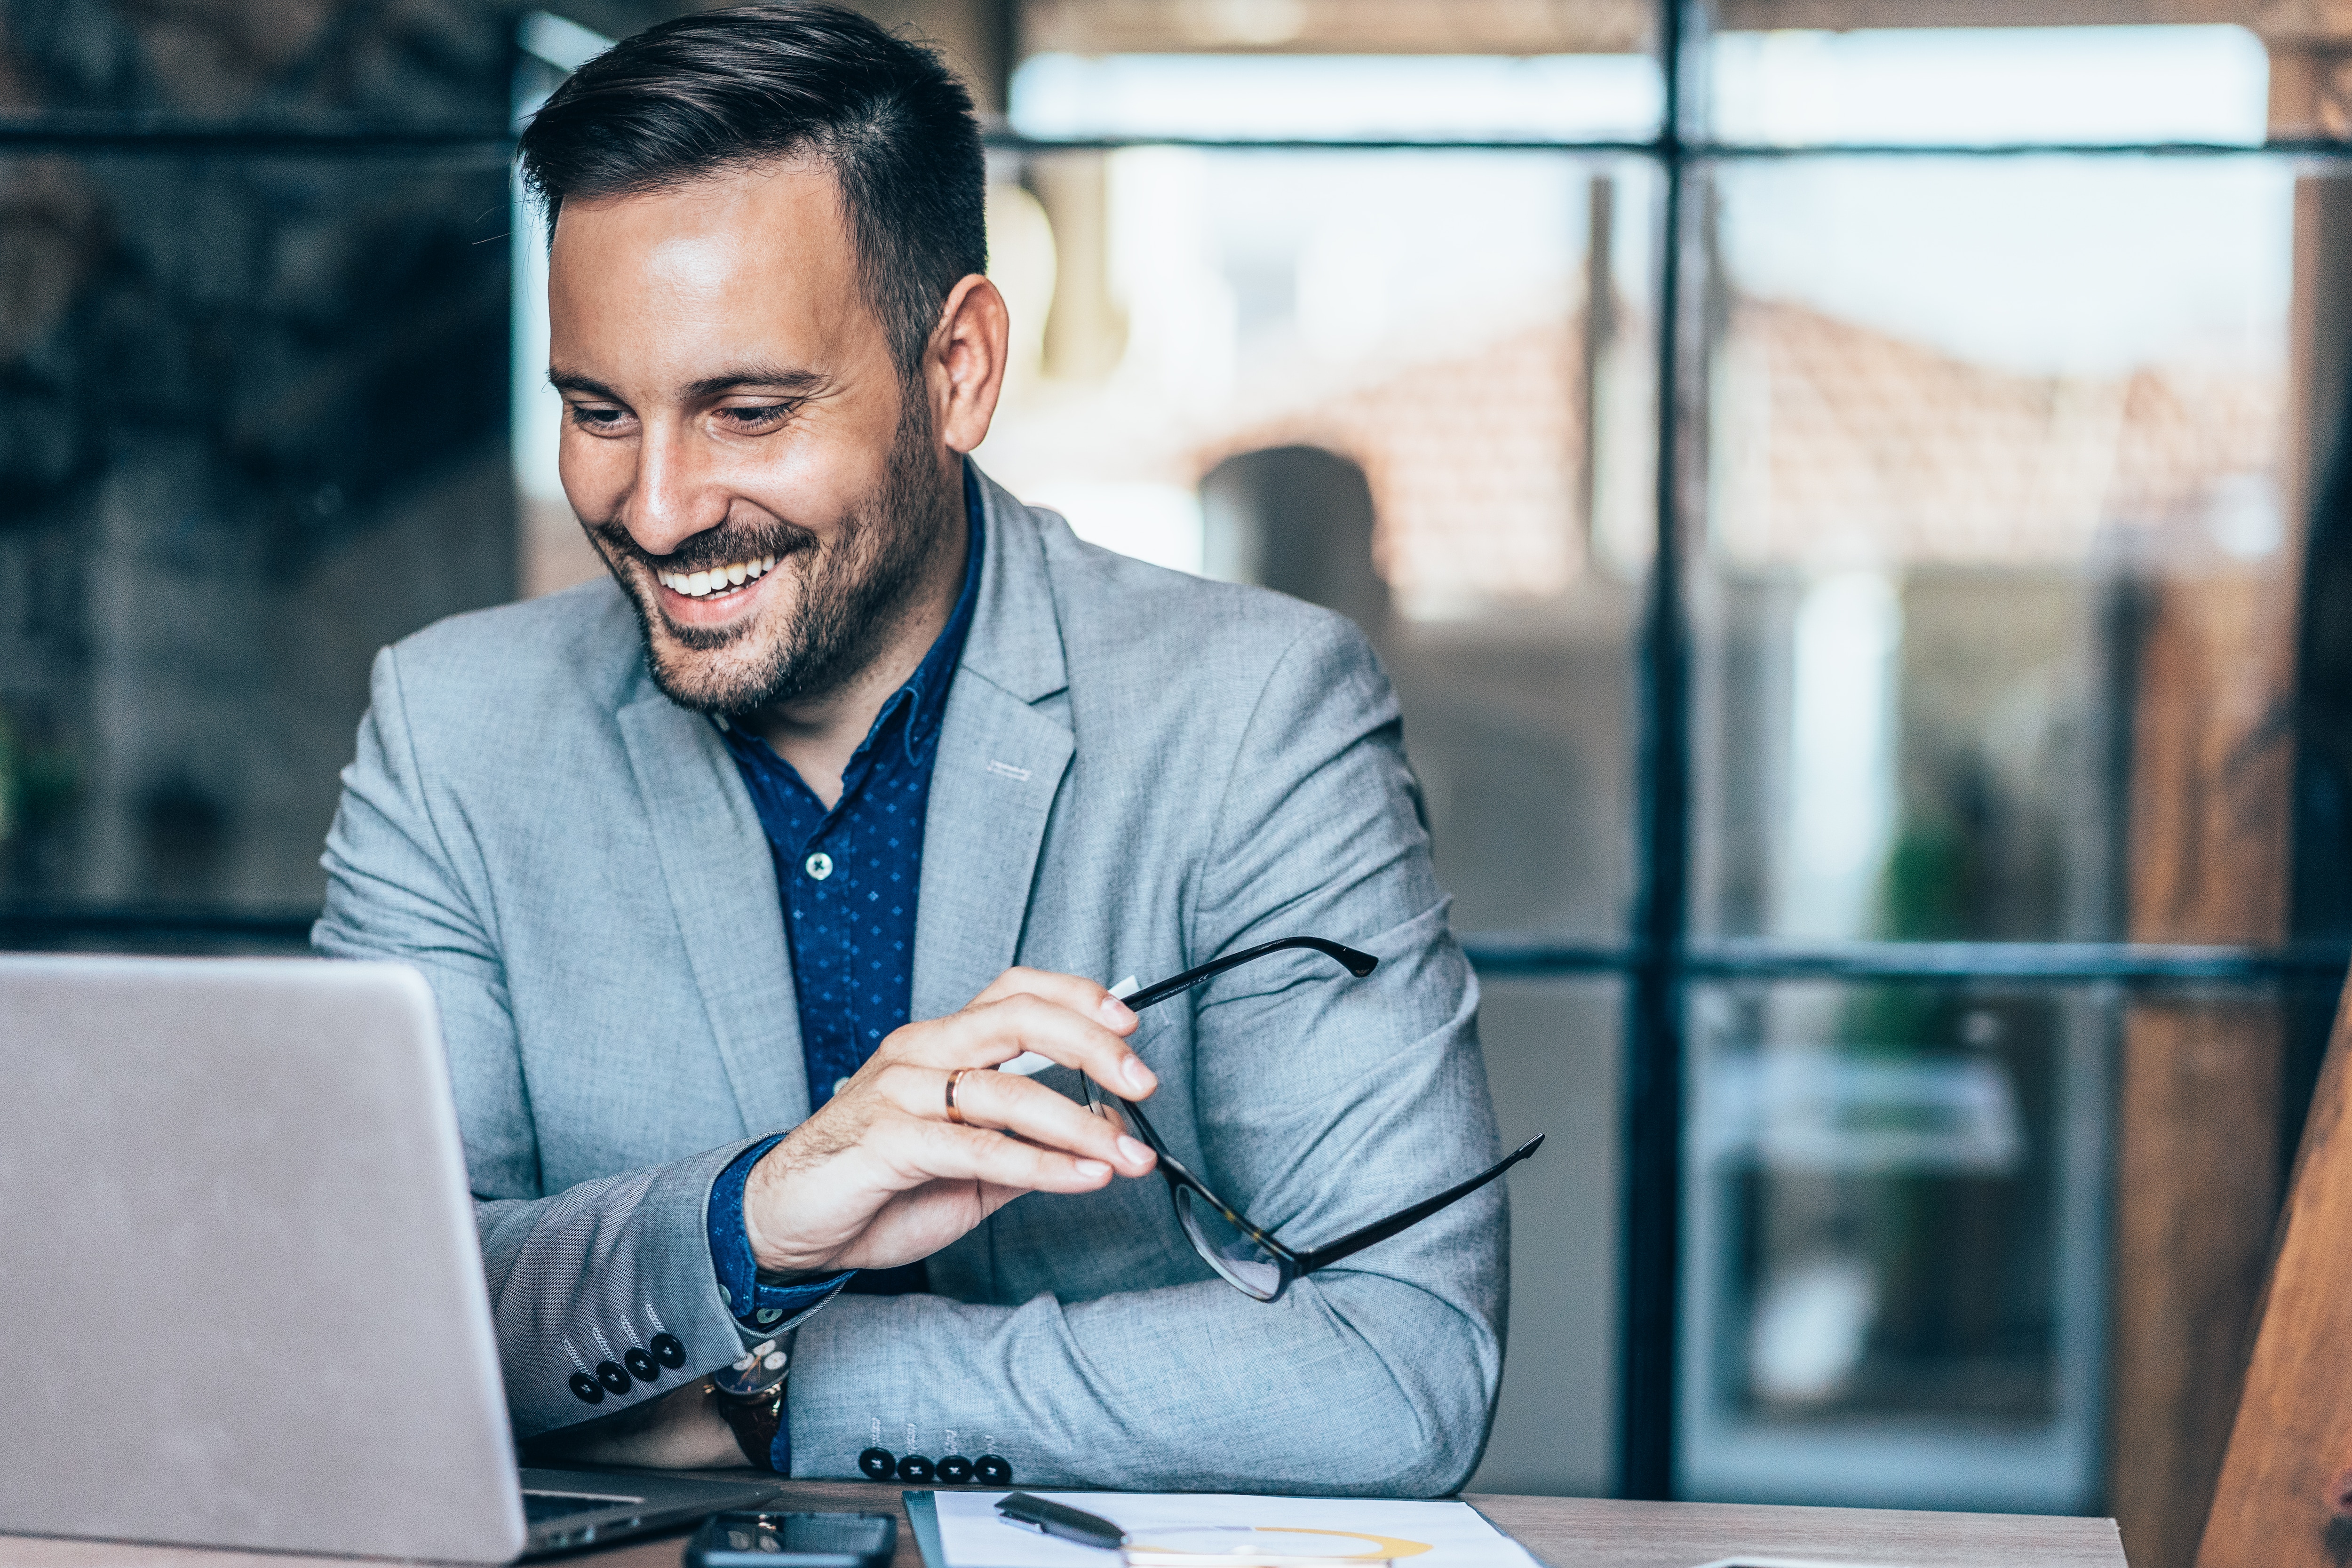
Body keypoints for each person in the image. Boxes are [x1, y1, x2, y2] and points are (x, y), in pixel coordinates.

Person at [313, 0, 1506, 1494]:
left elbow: (1404, 1367)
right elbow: (370, 1314)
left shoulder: (1258, 714)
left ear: (958, 370)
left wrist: (776, 1390)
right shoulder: (451, 732)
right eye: (598, 410)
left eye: (748, 412)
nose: (661, 507)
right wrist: (752, 1218)